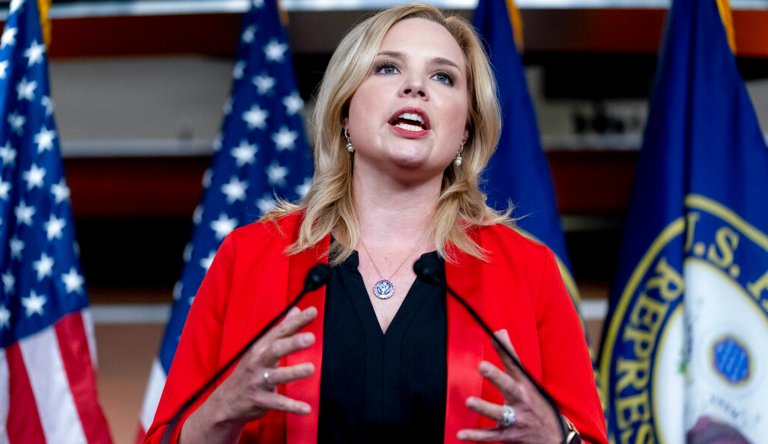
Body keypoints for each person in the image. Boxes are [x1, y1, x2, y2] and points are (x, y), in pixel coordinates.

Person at [145, 4, 606, 444]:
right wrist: (222, 409)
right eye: (387, 68)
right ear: (345, 111)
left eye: (443, 77)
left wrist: (556, 437)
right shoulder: (249, 256)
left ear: (465, 129)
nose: (416, 88)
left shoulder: (529, 269)